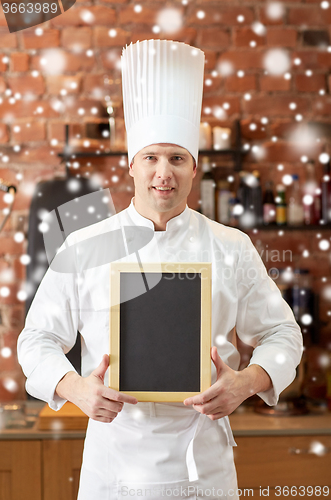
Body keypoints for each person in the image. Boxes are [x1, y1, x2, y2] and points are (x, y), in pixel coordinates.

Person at [17, 40, 303, 500]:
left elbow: (284, 334)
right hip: (114, 471)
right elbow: (36, 340)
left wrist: (247, 383)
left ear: (194, 168)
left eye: (176, 158)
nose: (162, 173)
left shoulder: (231, 246)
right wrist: (74, 388)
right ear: (131, 166)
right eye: (150, 157)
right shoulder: (84, 245)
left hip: (203, 469)